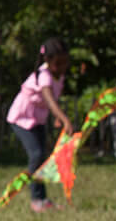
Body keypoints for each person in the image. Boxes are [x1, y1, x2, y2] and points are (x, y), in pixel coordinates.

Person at [6, 39, 75, 211]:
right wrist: (64, 118)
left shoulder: (58, 75)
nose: (62, 67)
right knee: (36, 154)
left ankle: (42, 199)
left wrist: (56, 118)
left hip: (38, 119)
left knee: (41, 156)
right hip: (21, 118)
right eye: (58, 63)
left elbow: (54, 97)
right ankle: (36, 199)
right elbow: (49, 100)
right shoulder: (43, 75)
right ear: (48, 61)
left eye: (65, 62)